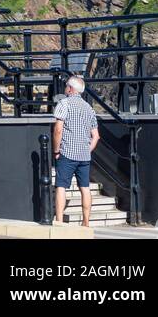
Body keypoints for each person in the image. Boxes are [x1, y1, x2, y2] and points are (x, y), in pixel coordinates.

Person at [53, 74, 100, 226]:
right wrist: (87, 150)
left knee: (61, 186)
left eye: (66, 85)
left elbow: (58, 130)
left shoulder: (64, 104)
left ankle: (59, 221)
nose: (65, 88)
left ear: (71, 89)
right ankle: (86, 222)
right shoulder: (89, 108)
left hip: (67, 152)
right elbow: (96, 136)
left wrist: (56, 150)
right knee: (85, 188)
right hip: (84, 155)